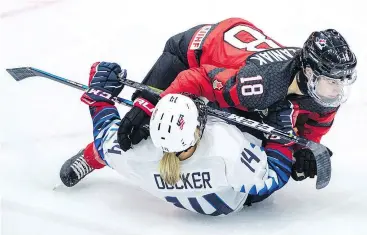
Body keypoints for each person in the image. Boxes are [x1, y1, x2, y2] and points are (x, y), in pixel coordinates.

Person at [115, 18, 357, 181]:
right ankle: (92, 156)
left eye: (343, 81)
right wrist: (150, 105)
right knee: (137, 128)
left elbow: (311, 127)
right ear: (308, 73)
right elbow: (195, 78)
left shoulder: (324, 93)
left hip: (236, 53)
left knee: (262, 131)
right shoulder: (261, 85)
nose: (338, 91)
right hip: (191, 49)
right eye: (333, 81)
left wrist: (303, 148)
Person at [60, 64, 295, 215]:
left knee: (110, 150)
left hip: (183, 180)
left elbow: (104, 135)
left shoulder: (140, 154)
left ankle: (92, 158)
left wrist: (100, 91)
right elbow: (275, 175)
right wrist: (282, 134)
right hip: (240, 196)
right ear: (196, 131)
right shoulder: (226, 148)